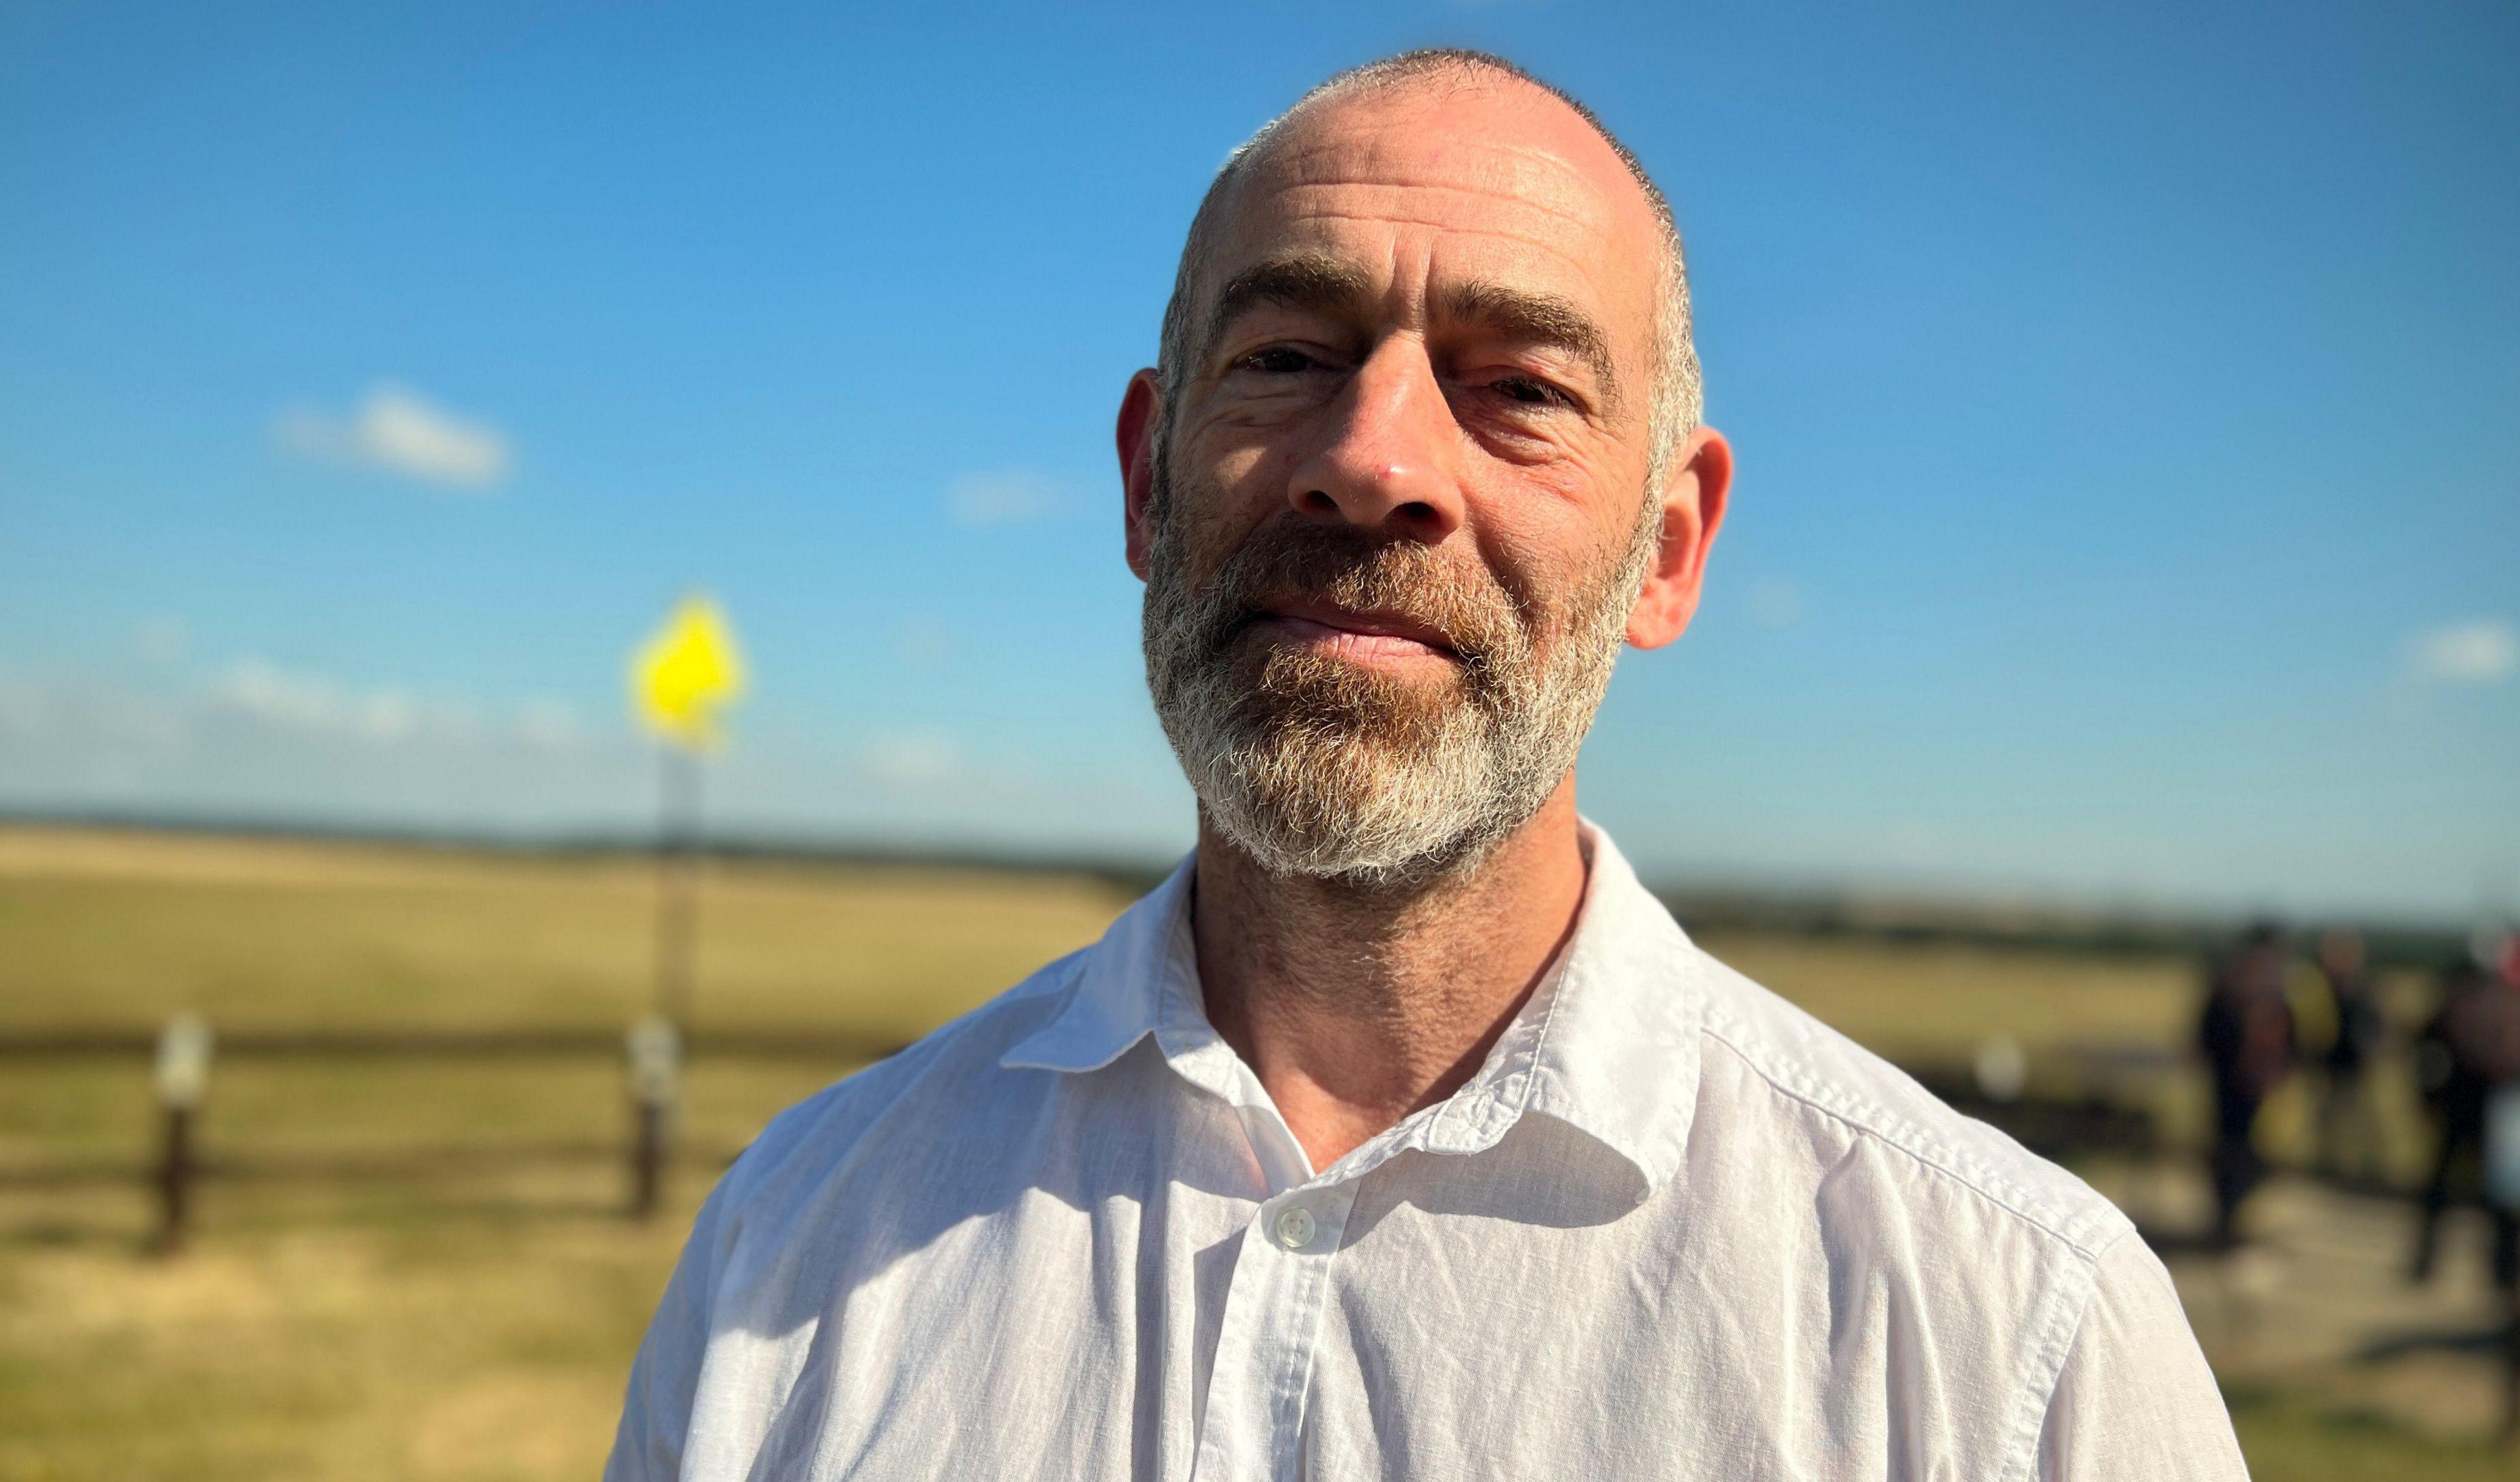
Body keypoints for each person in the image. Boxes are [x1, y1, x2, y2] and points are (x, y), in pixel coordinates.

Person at [606, 50, 2246, 1480]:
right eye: (1285, 357)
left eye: (1515, 386)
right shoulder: (792, 1236)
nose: (1370, 461)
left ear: (1666, 551)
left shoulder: (2010, 1335)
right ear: (1142, 480)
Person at [2410, 936, 2520, 1289]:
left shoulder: (2469, 1006)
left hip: (2484, 1117)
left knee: (2485, 1198)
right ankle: (2500, 1270)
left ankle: (2500, 1270)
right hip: (2474, 1114)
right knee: (2476, 1196)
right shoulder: (2500, 1007)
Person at [2196, 921, 2296, 1247]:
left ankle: (2232, 1216)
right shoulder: (2249, 984)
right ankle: (2228, 1218)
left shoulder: (2267, 986)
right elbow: (2211, 1030)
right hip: (2235, 1081)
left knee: (2247, 1151)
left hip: (2252, 1083)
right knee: (2235, 1150)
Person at [2308, 926, 2384, 1184]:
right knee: (2326, 1120)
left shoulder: (2362, 991)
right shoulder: (2317, 989)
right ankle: (2327, 1166)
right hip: (2327, 1066)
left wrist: (2370, 1046)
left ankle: (2361, 1170)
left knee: (2360, 1122)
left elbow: (2376, 1026)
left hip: (2355, 1067)